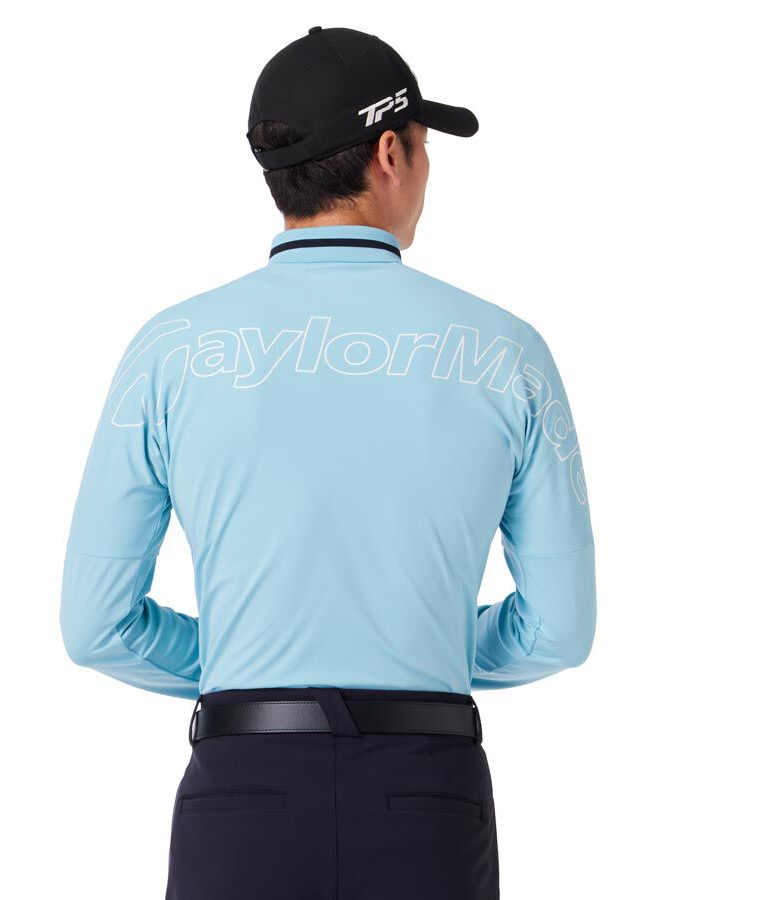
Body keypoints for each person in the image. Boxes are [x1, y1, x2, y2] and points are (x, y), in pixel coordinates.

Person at [60, 25, 596, 900]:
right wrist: (410, 644)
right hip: (426, 796)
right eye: (424, 146)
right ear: (390, 153)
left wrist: (257, 657)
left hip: (242, 792)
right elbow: (559, 630)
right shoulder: (507, 352)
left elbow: (97, 627)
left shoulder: (170, 350)